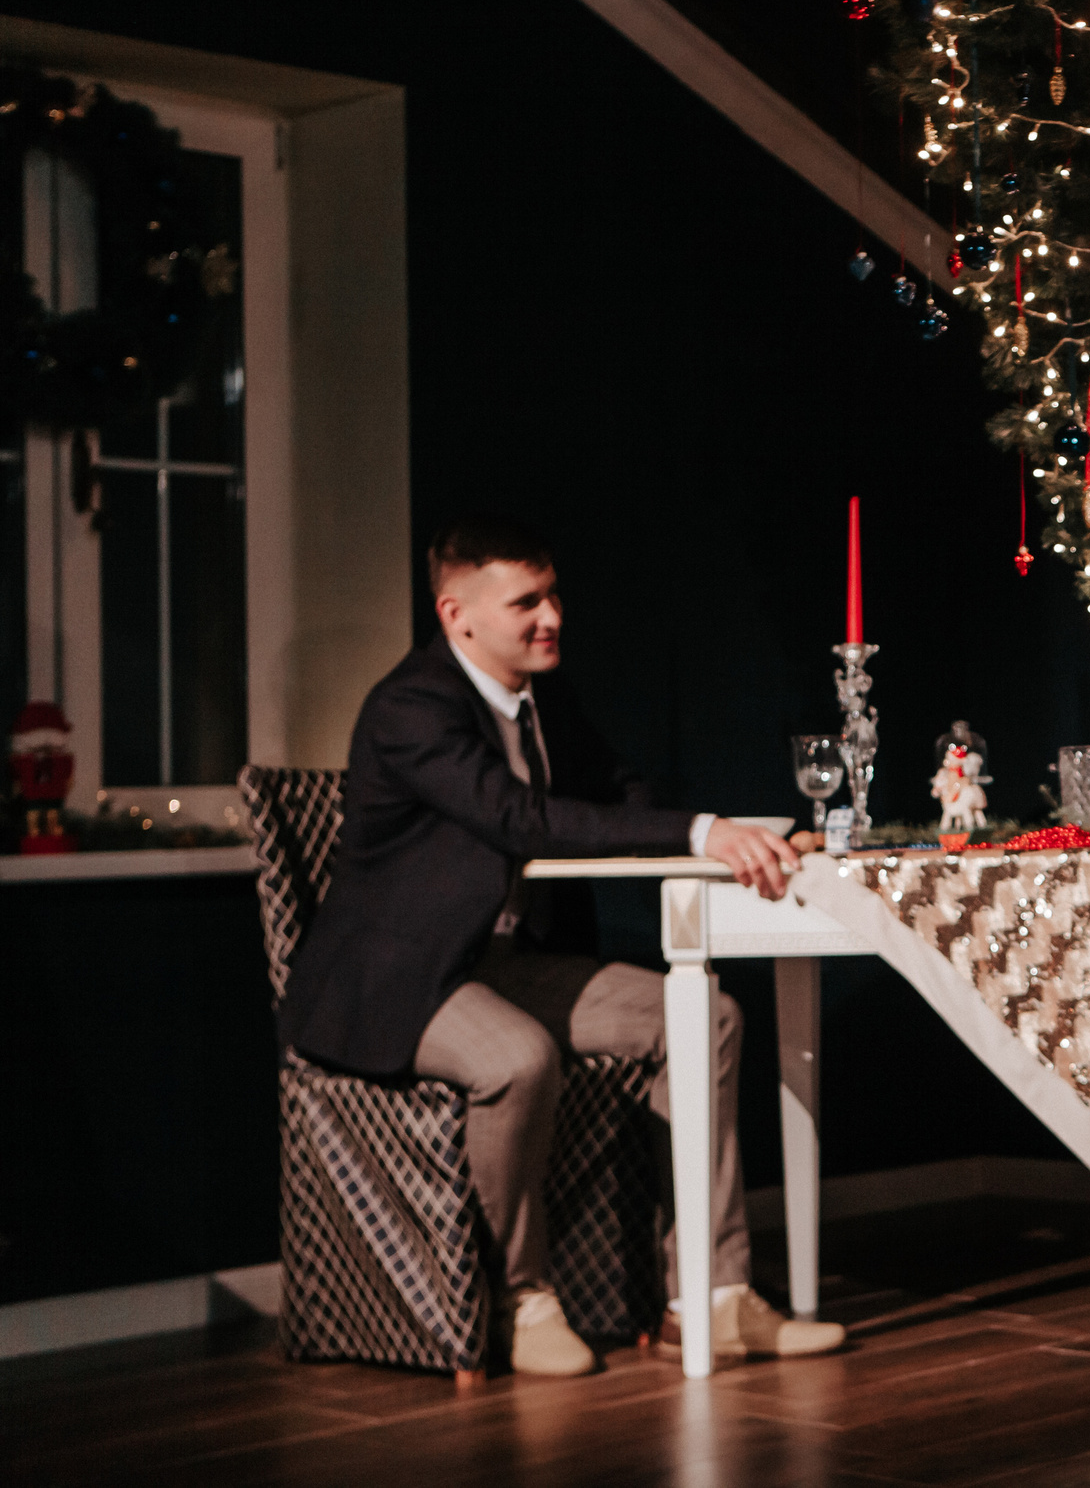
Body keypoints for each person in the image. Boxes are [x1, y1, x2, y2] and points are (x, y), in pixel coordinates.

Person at [278, 515, 843, 1376]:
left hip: (503, 960)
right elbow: (520, 818)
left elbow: (616, 791)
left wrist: (734, 837)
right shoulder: (410, 707)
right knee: (518, 1056)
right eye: (526, 602)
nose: (552, 616)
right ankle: (520, 1298)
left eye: (552, 594)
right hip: (396, 977)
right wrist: (699, 831)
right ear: (457, 614)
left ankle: (713, 1297)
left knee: (705, 1016)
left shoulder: (545, 697)